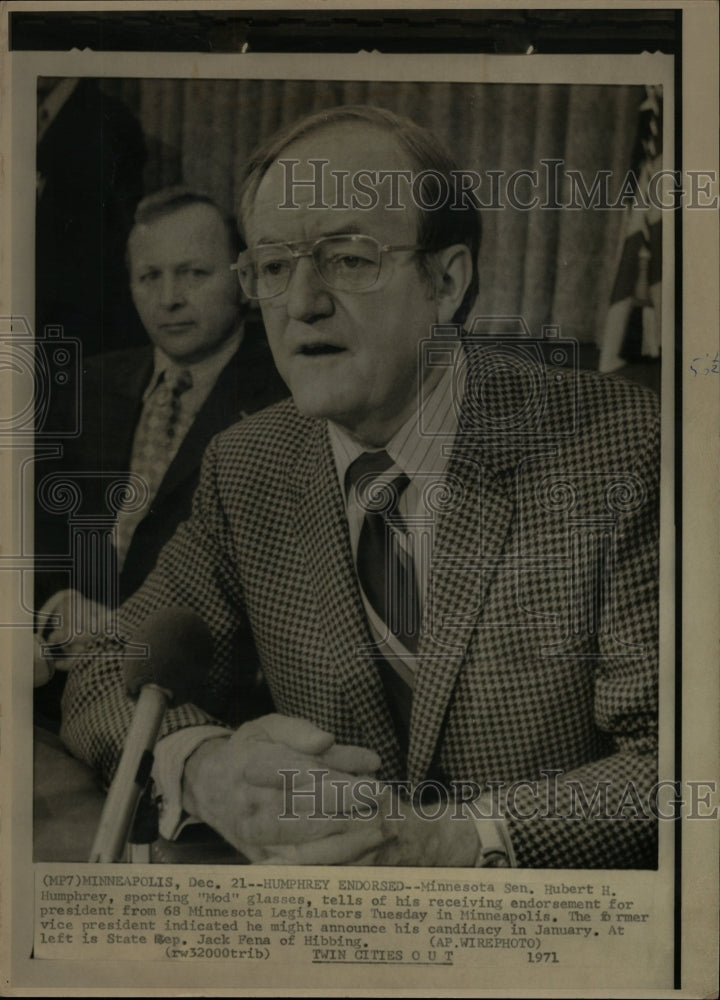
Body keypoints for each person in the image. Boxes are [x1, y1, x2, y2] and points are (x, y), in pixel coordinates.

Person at [60, 106, 659, 869]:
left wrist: (463, 841)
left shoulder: (620, 447)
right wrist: (203, 768)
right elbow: (107, 667)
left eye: (347, 259)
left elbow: (676, 760)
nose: (301, 302)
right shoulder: (247, 464)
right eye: (273, 266)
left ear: (446, 282)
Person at [34, 187, 287, 719]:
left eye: (194, 274)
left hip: (191, 697)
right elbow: (33, 529)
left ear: (243, 281)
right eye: (150, 277)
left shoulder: (285, 403)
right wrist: (53, 606)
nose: (169, 298)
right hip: (54, 677)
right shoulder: (89, 386)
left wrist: (118, 629)